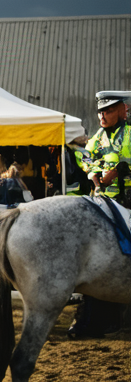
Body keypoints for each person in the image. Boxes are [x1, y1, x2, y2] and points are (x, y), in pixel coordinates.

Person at [68, 91, 129, 339]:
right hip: (101, 198)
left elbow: (123, 160)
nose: (102, 115)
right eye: (100, 112)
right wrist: (92, 174)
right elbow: (86, 157)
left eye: (108, 110)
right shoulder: (97, 137)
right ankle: (90, 317)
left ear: (123, 111)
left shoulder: (130, 133)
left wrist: (120, 170)